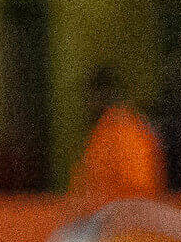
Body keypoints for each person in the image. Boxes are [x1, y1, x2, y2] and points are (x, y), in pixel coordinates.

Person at [69, 67, 165, 203]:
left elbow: (137, 187)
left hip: (122, 212)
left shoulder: (122, 129)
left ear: (102, 95)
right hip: (113, 211)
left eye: (90, 96)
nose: (87, 104)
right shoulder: (109, 126)